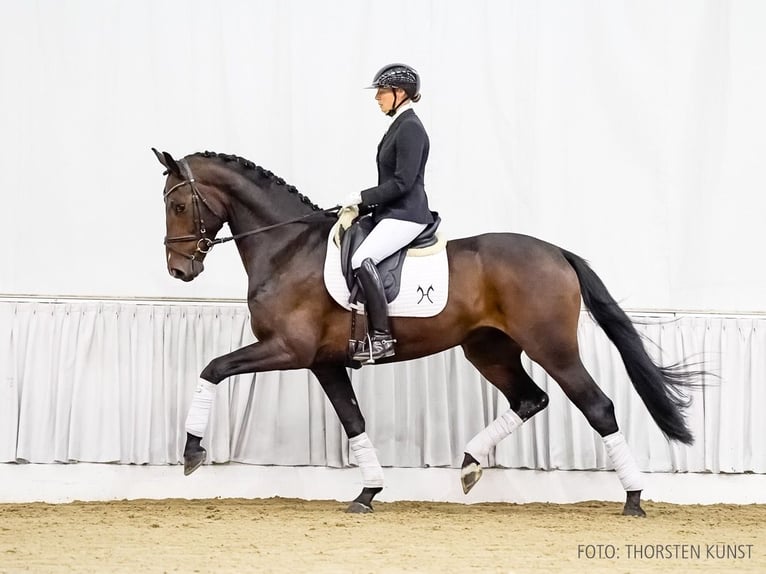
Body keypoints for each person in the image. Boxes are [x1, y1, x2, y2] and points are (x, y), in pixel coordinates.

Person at [342, 63, 435, 364]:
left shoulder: (410, 128)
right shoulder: (400, 124)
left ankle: (381, 337)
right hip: (391, 211)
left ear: (400, 93)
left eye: (382, 91)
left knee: (360, 259)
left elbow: (403, 182)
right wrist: (363, 206)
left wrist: (363, 196)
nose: (377, 97)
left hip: (407, 214)